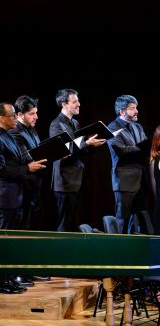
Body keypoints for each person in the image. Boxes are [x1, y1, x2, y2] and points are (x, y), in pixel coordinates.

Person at [0, 102, 46, 293]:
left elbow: (18, 158)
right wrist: (27, 168)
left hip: (16, 196)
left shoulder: (7, 135)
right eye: (11, 116)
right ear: (2, 118)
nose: (14, 119)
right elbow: (1, 169)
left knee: (11, 240)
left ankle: (8, 277)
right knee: (3, 240)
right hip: (4, 196)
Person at [50, 89, 106, 232]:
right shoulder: (56, 124)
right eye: (75, 101)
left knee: (72, 222)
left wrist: (93, 144)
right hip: (64, 181)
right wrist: (86, 143)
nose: (79, 104)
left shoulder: (75, 123)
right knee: (64, 223)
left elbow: (79, 150)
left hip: (76, 180)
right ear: (64, 104)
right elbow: (62, 150)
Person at [107, 95, 149, 234]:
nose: (136, 111)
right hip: (124, 180)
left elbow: (143, 147)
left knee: (136, 220)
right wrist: (144, 147)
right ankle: (117, 251)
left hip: (140, 178)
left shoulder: (138, 126)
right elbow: (122, 151)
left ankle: (133, 249)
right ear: (122, 112)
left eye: (136, 107)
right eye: (132, 109)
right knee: (121, 219)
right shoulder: (112, 127)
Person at [10, 96, 43, 231]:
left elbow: (38, 149)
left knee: (33, 226)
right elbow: (27, 158)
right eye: (31, 114)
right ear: (19, 115)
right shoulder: (14, 131)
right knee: (23, 227)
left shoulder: (31, 128)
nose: (36, 117)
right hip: (24, 187)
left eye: (36, 113)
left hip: (35, 185)